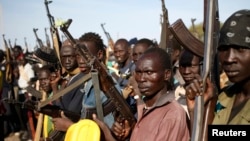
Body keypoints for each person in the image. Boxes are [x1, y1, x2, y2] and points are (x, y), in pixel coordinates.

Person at [94, 47, 190, 141]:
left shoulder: (172, 115)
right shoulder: (144, 108)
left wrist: (106, 133)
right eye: (138, 72)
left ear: (167, 75)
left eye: (149, 72)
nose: (141, 79)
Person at [185, 9, 250, 133]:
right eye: (224, 49)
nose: (229, 58)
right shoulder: (224, 98)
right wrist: (196, 111)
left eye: (240, 48)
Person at [175, 49, 203, 117]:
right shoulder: (175, 92)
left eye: (192, 66)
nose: (186, 72)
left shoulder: (209, 93)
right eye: (183, 66)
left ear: (201, 66)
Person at [113, 38, 137, 115]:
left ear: (129, 50)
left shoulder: (133, 68)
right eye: (115, 52)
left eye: (120, 51)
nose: (117, 54)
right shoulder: (121, 69)